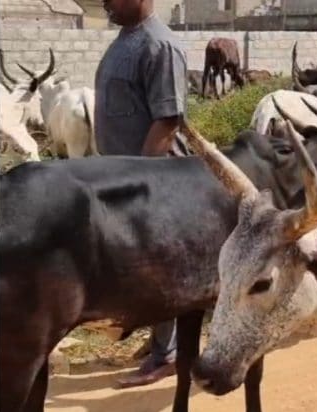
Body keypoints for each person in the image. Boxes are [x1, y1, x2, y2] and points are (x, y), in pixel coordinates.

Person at [93, 0, 189, 389]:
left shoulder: (159, 46)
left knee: (158, 269)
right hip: (122, 177)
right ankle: (159, 340)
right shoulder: (126, 40)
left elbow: (166, 122)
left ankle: (168, 355)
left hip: (154, 181)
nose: (105, 2)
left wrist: (139, 181)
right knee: (140, 268)